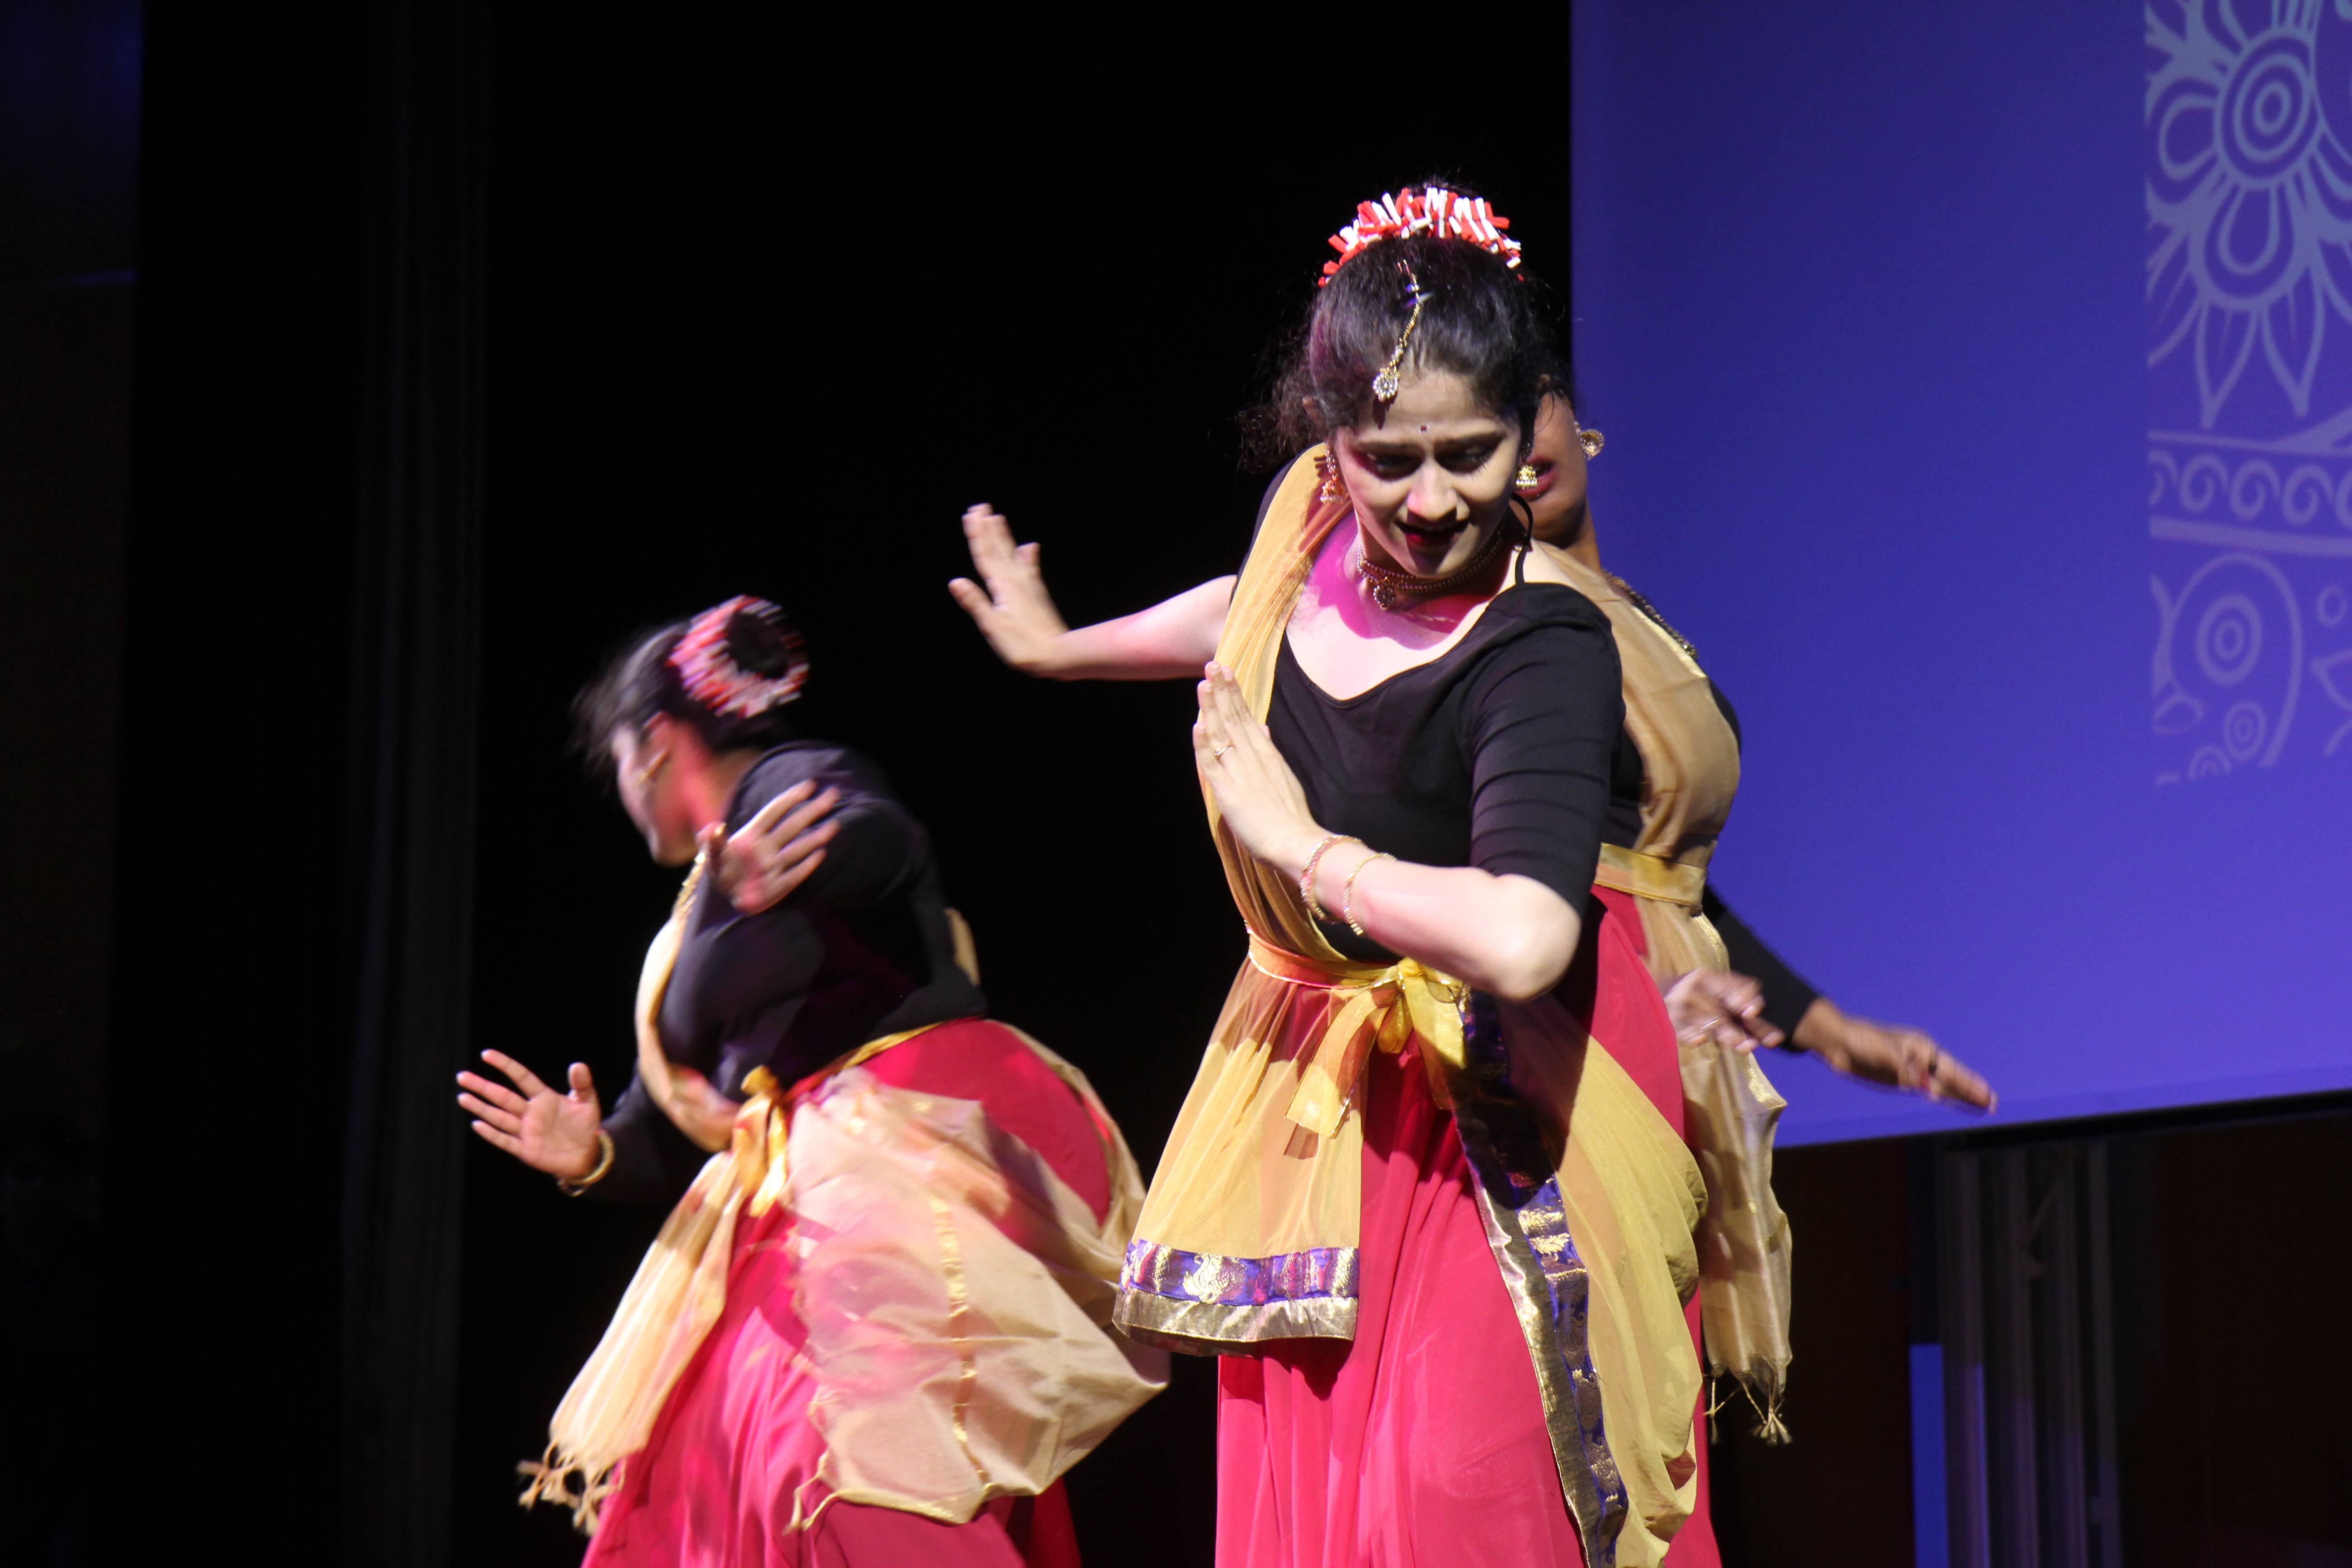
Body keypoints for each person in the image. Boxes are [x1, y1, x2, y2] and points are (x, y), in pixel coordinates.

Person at [965, 187, 1712, 1568]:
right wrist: (1065, 650)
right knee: (1323, 1499)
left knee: (1455, 1492)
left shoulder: (1544, 647)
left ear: (1530, 432)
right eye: (1387, 460)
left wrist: (1303, 845)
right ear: (1331, 443)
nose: (1429, 502)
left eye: (1472, 457)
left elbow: (1528, 935)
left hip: (1506, 1092)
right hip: (1321, 1095)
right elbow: (1258, 607)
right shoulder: (1308, 513)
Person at [455, 595, 1164, 1567]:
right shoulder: (697, 907)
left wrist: (800, 865)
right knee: (714, 1464)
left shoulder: (791, 784)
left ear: (653, 746)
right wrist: (598, 1152)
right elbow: (688, 1110)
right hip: (802, 1188)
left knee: (839, 1456)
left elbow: (885, 842)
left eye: (615, 762)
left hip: (910, 1144)